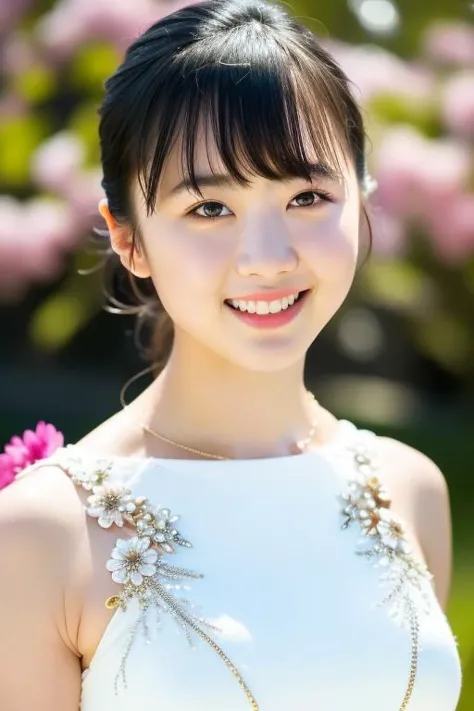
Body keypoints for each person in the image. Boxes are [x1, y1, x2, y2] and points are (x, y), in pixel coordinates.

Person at [0, 1, 463, 709]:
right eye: (209, 208)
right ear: (128, 239)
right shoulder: (46, 532)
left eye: (307, 195)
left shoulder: (411, 490)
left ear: (362, 199)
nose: (268, 258)